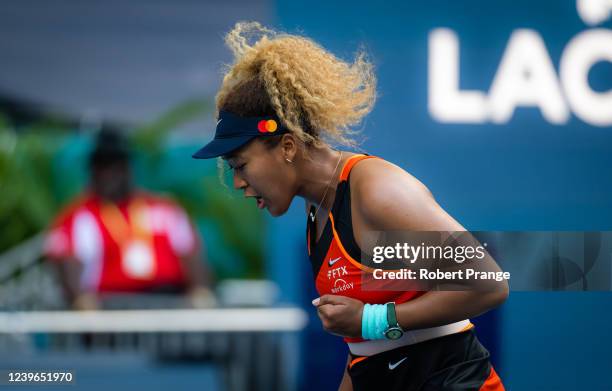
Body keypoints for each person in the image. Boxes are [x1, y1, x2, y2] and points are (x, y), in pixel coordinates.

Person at [193, 22, 507, 390]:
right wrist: (367, 326)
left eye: (241, 166)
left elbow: (487, 284)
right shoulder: (318, 212)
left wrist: (372, 320)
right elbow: (366, 352)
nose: (239, 184)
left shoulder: (376, 191)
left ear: (288, 147)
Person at [45, 128, 214, 310]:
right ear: (92, 171)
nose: (109, 174)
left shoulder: (163, 207)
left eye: (116, 166)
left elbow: (190, 251)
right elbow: (66, 260)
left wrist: (201, 290)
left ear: (127, 168)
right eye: (102, 167)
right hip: (111, 308)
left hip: (168, 301)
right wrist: (79, 299)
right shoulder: (77, 215)